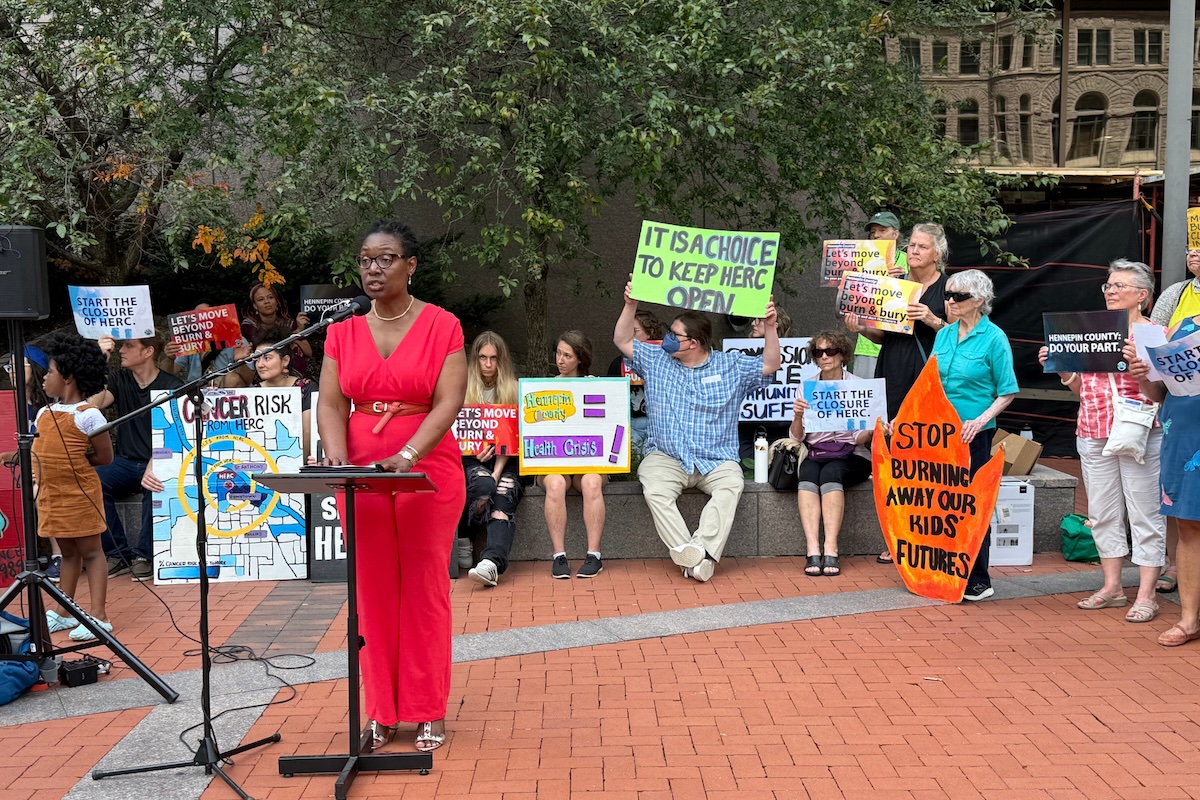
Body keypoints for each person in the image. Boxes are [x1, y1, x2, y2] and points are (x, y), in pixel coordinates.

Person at [317, 219, 466, 750]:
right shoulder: (342, 331)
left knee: (424, 589)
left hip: (427, 467)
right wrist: (337, 458)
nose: (373, 269)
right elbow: (331, 402)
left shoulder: (443, 325)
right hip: (362, 472)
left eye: (385, 258)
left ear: (410, 265)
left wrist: (407, 454)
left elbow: (449, 401)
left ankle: (427, 709)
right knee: (373, 591)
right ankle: (381, 711)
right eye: (365, 260)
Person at [614, 281, 781, 583]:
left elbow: (770, 363)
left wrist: (770, 326)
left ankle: (699, 550)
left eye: (674, 335)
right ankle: (693, 557)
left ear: (693, 342)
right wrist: (630, 304)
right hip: (666, 456)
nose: (667, 338)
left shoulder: (730, 365)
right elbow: (622, 339)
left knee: (732, 485)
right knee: (654, 489)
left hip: (716, 459)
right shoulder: (656, 360)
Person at [1040, 260, 1165, 621]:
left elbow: (1162, 393)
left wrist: (1141, 372)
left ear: (1142, 295)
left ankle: (1147, 594)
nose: (1110, 291)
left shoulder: (1155, 334)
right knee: (1102, 512)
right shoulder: (1090, 330)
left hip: (1140, 429)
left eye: (1119, 285)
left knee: (1145, 512)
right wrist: (1064, 369)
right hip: (1093, 427)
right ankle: (1112, 587)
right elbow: (1084, 390)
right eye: (1108, 285)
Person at [845, 222, 950, 565]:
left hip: (929, 383)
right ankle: (897, 536)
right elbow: (884, 336)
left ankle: (925, 537)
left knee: (926, 460)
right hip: (891, 375)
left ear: (937, 253)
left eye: (922, 246)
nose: (914, 251)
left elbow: (964, 335)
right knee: (893, 458)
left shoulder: (948, 289)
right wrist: (863, 326)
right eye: (912, 245)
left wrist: (932, 320)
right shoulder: (896, 283)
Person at [2, 335, 114, 641]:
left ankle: (99, 616)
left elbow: (104, 456)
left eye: (49, 372)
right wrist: (10, 457)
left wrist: (73, 463)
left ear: (67, 377)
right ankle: (65, 611)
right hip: (53, 495)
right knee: (67, 553)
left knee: (91, 552)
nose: (44, 378)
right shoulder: (44, 413)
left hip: (79, 495)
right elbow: (39, 451)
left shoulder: (88, 415)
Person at [929, 269, 1018, 601]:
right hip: (940, 434)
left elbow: (1007, 391)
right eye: (948, 295)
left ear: (979, 300)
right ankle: (945, 567)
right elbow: (930, 383)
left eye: (959, 296)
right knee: (941, 502)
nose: (951, 301)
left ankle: (978, 577)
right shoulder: (944, 335)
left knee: (972, 503)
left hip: (974, 435)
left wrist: (980, 421)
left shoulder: (994, 338)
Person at [92, 333, 184, 581]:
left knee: (156, 484)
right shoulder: (120, 379)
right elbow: (95, 404)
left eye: (129, 346)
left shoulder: (172, 385)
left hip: (160, 459)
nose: (121, 350)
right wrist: (101, 359)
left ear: (148, 352)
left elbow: (176, 435)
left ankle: (145, 556)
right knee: (92, 480)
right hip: (124, 461)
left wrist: (156, 462)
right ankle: (117, 553)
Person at [788, 331, 872, 577]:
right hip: (818, 452)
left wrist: (871, 428)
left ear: (842, 355)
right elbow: (797, 437)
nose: (824, 356)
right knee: (807, 474)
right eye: (818, 352)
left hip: (853, 454)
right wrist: (798, 416)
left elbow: (859, 438)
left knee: (831, 473)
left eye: (830, 351)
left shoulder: (858, 386)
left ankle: (831, 547)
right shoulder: (807, 387)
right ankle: (812, 548)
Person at [1147, 248, 1200, 595]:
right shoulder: (1177, 296)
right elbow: (1156, 369)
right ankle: (1182, 584)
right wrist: (1146, 370)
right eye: (1192, 245)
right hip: (1181, 420)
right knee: (1183, 511)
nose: (1194, 252)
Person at [459, 331, 526, 587]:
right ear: (475, 359)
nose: (488, 364)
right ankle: (463, 535)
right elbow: (458, 433)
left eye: (493, 358)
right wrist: (474, 449)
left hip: (507, 459)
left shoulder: (514, 389)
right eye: (482, 358)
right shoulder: (462, 387)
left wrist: (497, 472)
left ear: (502, 360)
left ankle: (492, 562)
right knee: (481, 484)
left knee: (502, 497)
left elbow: (511, 439)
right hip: (471, 458)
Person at [540, 331, 606, 579]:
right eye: (558, 353)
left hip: (587, 463)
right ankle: (559, 556)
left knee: (592, 482)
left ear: (580, 358)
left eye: (567, 355)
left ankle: (594, 555)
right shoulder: (544, 388)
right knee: (555, 484)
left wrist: (597, 390)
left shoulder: (593, 384)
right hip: (553, 464)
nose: (560, 360)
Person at [4, 345, 62, 582]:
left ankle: (59, 555)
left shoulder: (52, 405)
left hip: (51, 466)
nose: (12, 371)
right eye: (9, 366)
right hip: (26, 467)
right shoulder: (10, 405)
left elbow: (52, 448)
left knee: (38, 488)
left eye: (19, 365)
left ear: (37, 369)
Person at [852, 211, 909, 380]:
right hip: (867, 346)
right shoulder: (861, 261)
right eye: (873, 232)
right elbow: (852, 300)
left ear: (895, 234)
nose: (876, 235)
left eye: (882, 230)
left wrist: (900, 282)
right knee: (866, 396)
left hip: (900, 345)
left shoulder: (909, 262)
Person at [737, 306, 795, 466]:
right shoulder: (741, 354)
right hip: (747, 429)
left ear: (775, 324)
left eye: (759, 320)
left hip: (781, 429)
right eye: (753, 320)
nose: (753, 324)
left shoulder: (793, 352)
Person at [251, 326, 316, 454]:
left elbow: (308, 433)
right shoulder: (252, 392)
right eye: (257, 358)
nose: (260, 364)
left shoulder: (307, 388)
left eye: (267, 358)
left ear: (285, 361)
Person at [606, 310, 662, 454]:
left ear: (649, 332)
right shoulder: (618, 363)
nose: (629, 335)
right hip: (629, 422)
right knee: (632, 459)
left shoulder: (664, 362)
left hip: (657, 423)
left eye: (635, 331)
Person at [162, 302, 247, 387]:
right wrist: (170, 358)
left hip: (225, 389)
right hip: (195, 390)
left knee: (233, 379)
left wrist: (241, 361)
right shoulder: (189, 342)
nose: (200, 320)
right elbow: (168, 373)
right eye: (195, 316)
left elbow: (247, 379)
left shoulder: (237, 341)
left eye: (204, 315)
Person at [240, 282, 312, 378]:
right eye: (261, 299)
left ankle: (293, 381)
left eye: (270, 297)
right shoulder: (249, 324)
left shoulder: (288, 323)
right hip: (261, 370)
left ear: (277, 301)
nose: (267, 302)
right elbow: (266, 346)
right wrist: (291, 337)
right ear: (255, 306)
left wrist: (297, 333)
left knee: (294, 346)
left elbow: (308, 351)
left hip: (289, 371)